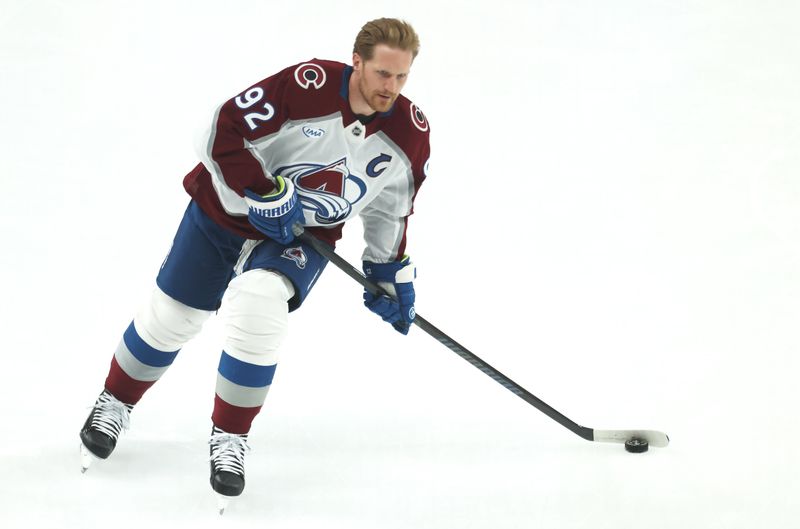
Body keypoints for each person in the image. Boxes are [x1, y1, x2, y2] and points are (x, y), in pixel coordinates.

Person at [78, 17, 430, 507]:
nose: (390, 88)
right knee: (173, 318)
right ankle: (113, 401)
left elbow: (391, 206)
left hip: (304, 234)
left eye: (401, 77)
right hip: (225, 210)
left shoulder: (408, 135)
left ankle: (230, 437)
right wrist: (261, 190)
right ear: (357, 62)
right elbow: (220, 130)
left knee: (261, 302)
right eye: (381, 75)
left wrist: (388, 270)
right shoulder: (304, 86)